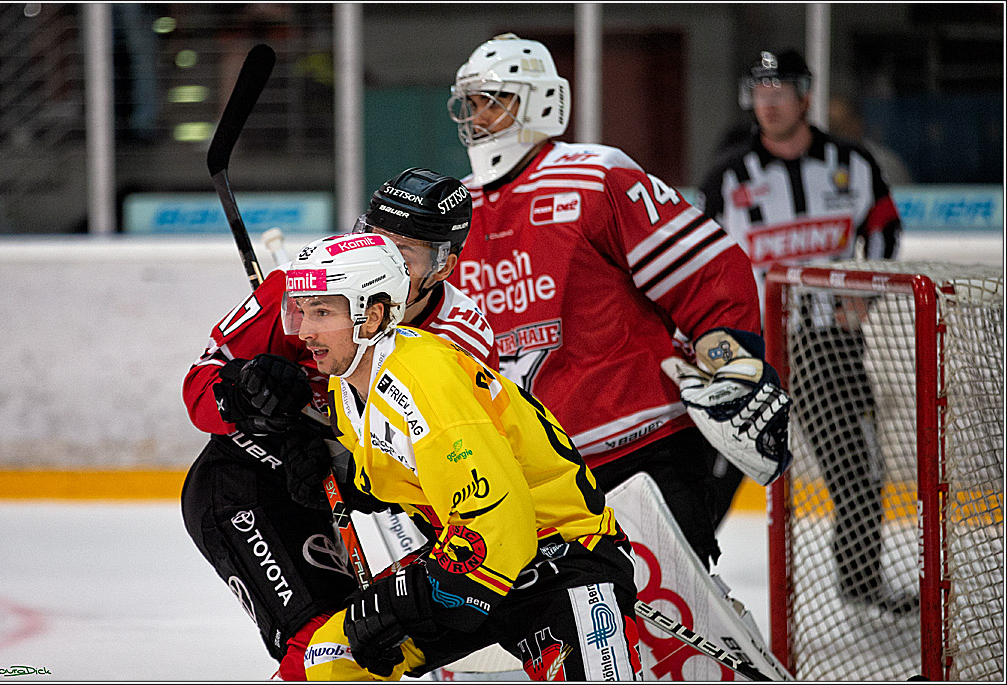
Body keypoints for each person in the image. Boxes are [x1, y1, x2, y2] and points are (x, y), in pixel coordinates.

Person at [443, 33, 791, 571]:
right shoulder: (455, 212)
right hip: (539, 469)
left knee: (678, 625)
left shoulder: (595, 175)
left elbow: (708, 270)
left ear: (540, 102)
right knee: (584, 635)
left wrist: (732, 360)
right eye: (473, 101)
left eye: (496, 99)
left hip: (645, 448)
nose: (479, 116)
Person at [280, 232, 642, 681]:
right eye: (301, 310)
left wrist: (409, 597)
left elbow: (498, 523)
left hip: (561, 562)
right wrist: (344, 474)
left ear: (371, 317)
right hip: (478, 565)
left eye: (322, 312)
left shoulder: (423, 379)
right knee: (334, 658)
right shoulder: (349, 383)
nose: (304, 331)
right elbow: (404, 474)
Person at [180, 168, 496, 678]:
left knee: (365, 650)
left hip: (345, 491)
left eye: (406, 254)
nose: (384, 261)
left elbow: (452, 463)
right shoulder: (302, 288)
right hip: (250, 485)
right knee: (321, 651)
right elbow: (200, 385)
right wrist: (243, 391)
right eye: (376, 241)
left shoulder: (461, 339)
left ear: (443, 267)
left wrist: (347, 466)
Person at [697, 49, 911, 613]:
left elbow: (885, 227)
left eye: (778, 91)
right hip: (753, 347)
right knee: (717, 469)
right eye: (758, 91)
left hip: (829, 345)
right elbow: (701, 261)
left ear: (805, 96)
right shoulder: (727, 174)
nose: (766, 103)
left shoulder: (852, 162)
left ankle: (863, 584)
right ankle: (683, 575)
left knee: (856, 466)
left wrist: (862, 296)